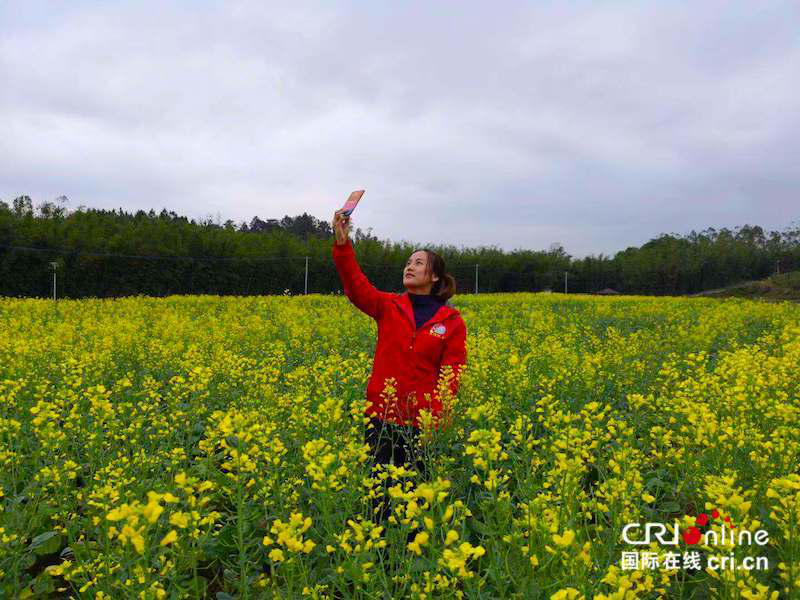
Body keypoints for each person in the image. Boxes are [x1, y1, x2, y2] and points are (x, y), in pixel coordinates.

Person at [331, 207, 467, 524]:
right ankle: (380, 558)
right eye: (408, 262)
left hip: (420, 425)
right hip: (380, 418)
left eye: (418, 263)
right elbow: (355, 285)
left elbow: (452, 373)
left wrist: (437, 416)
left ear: (434, 276)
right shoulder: (388, 307)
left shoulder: (451, 322)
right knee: (378, 497)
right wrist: (342, 245)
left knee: (413, 499)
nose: (410, 266)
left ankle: (407, 562)